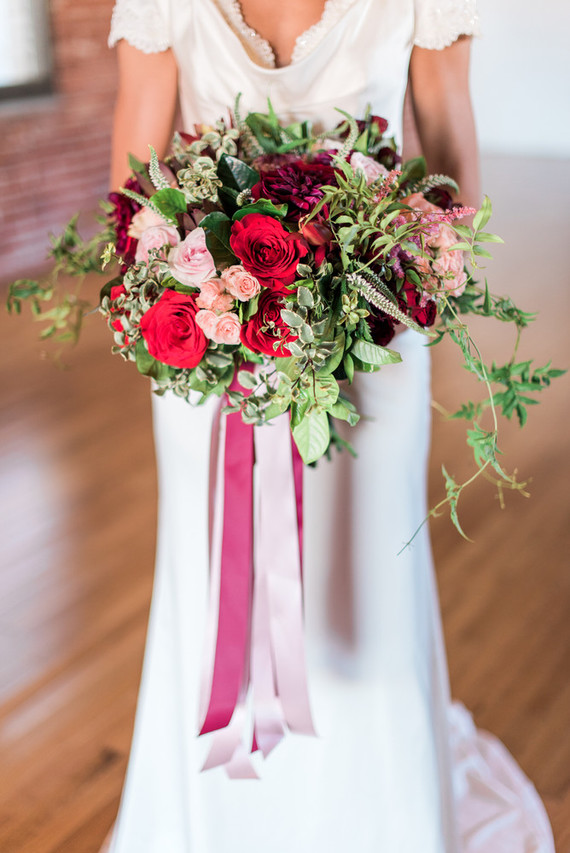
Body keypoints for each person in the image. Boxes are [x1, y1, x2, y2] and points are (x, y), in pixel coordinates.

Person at [104, 1, 555, 851]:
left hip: (373, 339)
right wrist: (207, 297)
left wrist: (386, 274)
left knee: (368, 594)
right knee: (210, 592)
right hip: (209, 344)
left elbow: (453, 168)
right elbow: (135, 192)